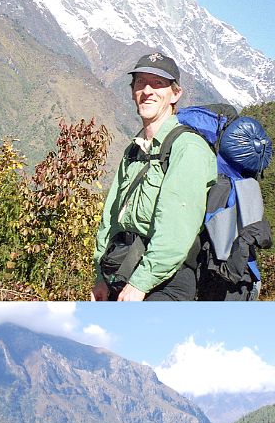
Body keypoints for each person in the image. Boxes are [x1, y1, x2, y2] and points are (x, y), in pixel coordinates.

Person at [91, 53, 217, 301]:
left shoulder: (187, 148)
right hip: (124, 270)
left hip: (166, 281)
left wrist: (141, 283)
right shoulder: (135, 150)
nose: (147, 90)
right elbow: (112, 217)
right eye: (140, 82)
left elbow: (176, 229)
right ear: (132, 91)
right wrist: (101, 276)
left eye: (158, 83)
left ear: (175, 94)